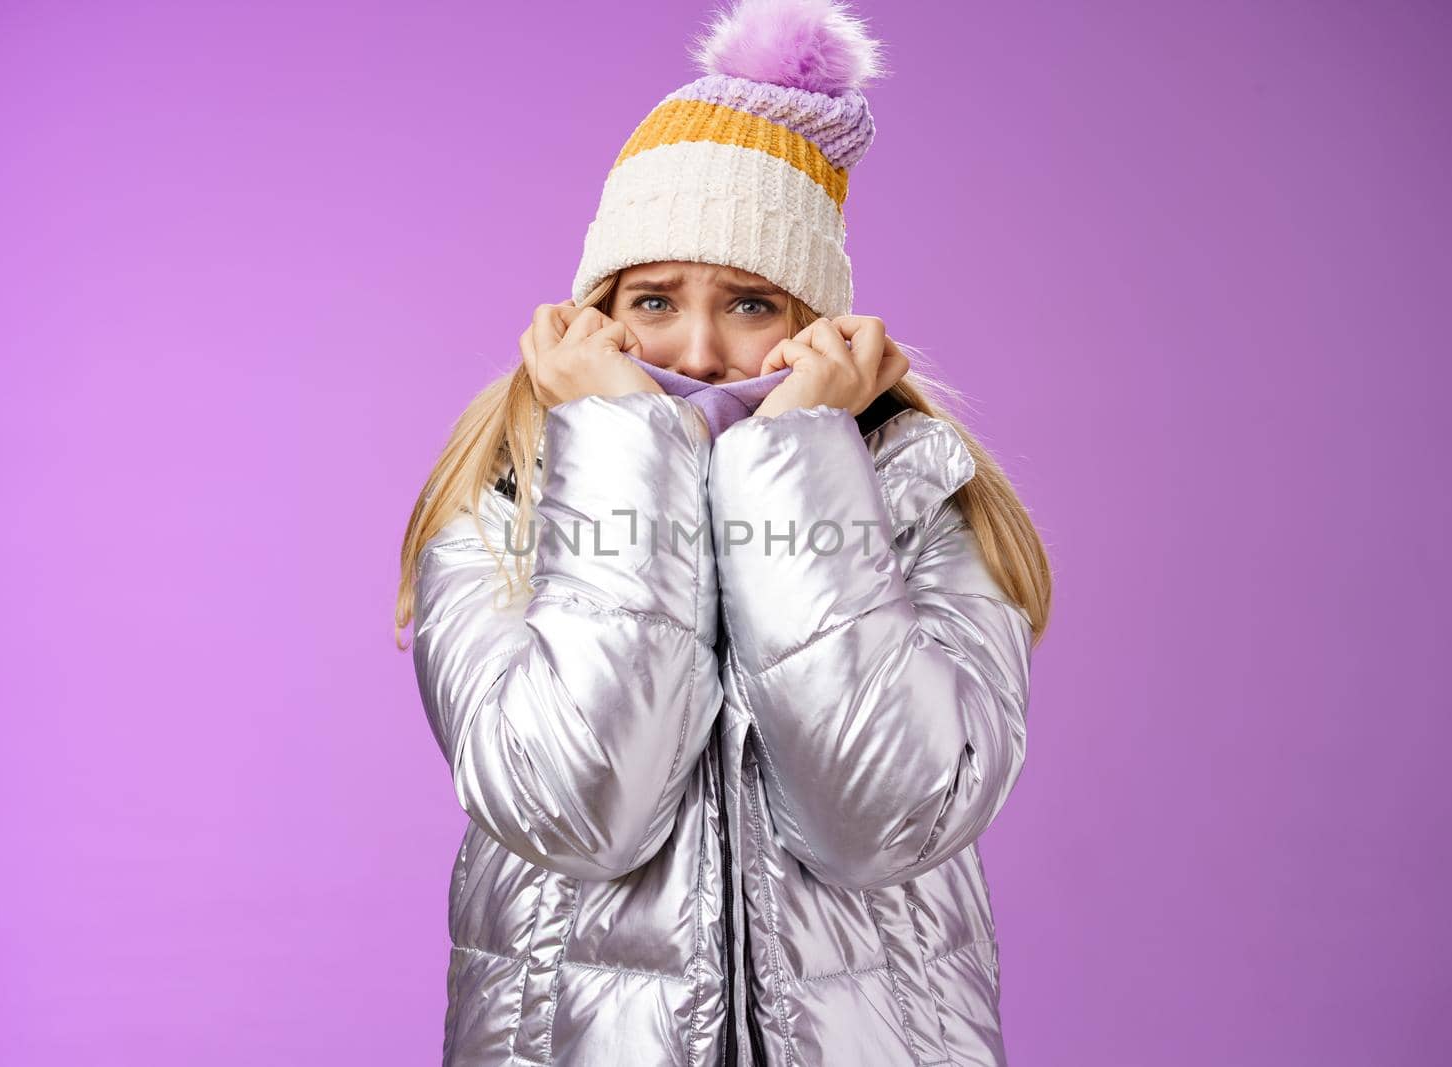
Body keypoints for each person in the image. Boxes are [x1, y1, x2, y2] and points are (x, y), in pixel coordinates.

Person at [392, 1, 1052, 1062]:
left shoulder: (924, 503)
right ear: (596, 313)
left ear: (816, 321)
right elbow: (575, 810)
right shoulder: (498, 508)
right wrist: (620, 447)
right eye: (653, 299)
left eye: (750, 303)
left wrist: (795, 464)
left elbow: (883, 815)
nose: (696, 350)